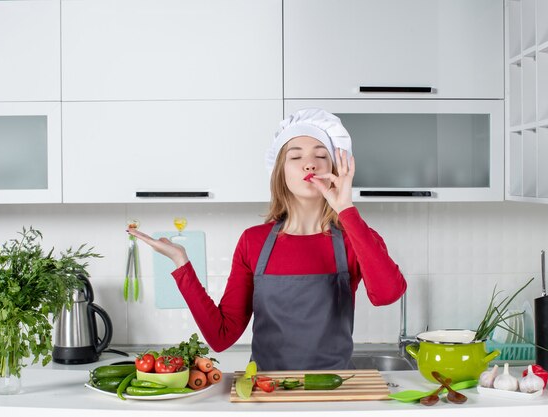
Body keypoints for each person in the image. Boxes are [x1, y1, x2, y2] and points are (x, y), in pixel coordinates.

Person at [127, 109, 407, 371]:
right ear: (280, 173)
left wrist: (346, 209)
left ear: (334, 167)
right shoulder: (253, 241)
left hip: (333, 390)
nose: (309, 163)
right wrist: (181, 262)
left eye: (321, 155)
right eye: (295, 157)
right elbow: (222, 336)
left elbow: (387, 294)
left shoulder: (354, 237)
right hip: (266, 392)